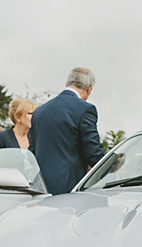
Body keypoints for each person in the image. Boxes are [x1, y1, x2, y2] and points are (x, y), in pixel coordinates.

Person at [29, 67, 105, 195]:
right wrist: (110, 170)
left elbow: (32, 152)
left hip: (39, 189)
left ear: (66, 84)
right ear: (89, 89)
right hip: (70, 190)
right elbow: (93, 153)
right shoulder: (85, 109)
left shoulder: (40, 111)